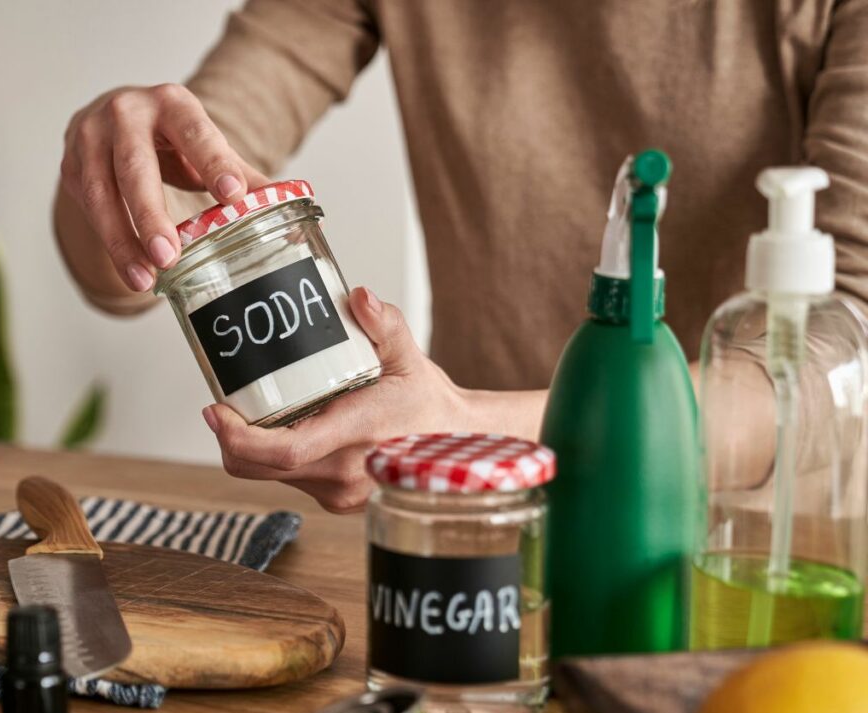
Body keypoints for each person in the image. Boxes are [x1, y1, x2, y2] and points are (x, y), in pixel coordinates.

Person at [54, 1, 868, 513]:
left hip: (762, 562)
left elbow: (845, 354)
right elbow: (155, 241)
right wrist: (114, 167)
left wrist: (475, 432)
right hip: (480, 536)